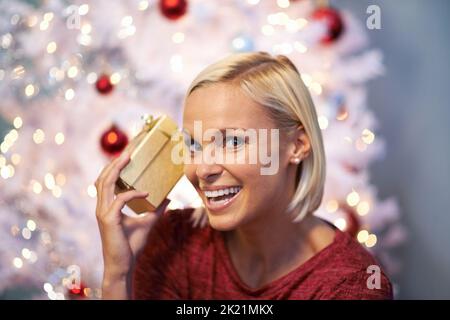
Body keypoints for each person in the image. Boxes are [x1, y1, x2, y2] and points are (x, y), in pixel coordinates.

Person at [95, 52, 393, 299]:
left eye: (233, 142)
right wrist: (118, 276)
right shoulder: (173, 242)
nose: (203, 169)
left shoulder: (350, 286)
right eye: (194, 145)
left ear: (298, 146)